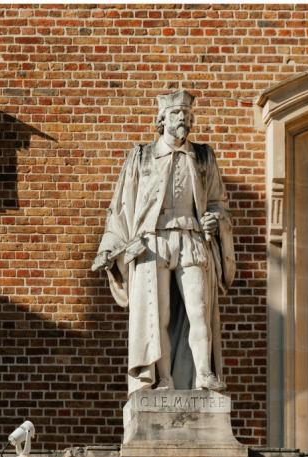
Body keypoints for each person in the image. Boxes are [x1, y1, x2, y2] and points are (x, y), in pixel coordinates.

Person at [92, 90, 235, 395]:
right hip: (152, 241)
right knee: (159, 315)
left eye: (186, 114)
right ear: (162, 119)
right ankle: (163, 378)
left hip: (191, 236)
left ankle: (204, 373)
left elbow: (217, 202)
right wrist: (110, 245)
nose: (182, 118)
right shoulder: (141, 157)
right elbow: (121, 208)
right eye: (175, 113)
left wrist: (215, 218)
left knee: (198, 310)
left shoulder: (204, 156)